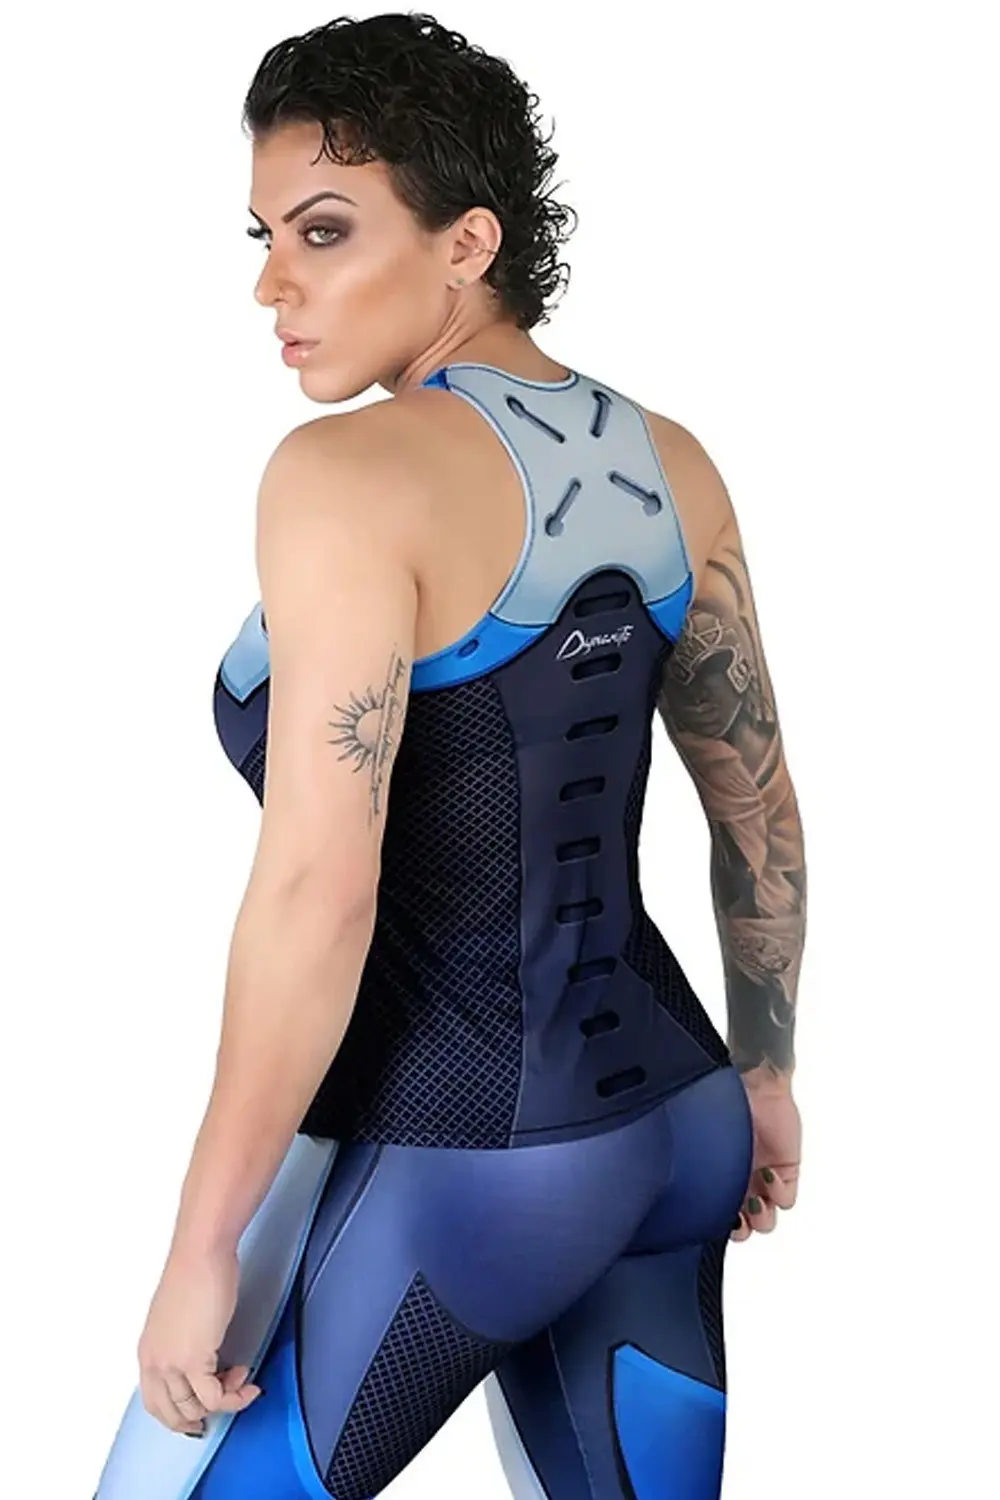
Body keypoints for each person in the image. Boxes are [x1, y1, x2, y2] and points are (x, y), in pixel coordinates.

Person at [92, 11, 806, 1499]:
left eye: (325, 230)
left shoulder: (344, 478)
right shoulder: (674, 462)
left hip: (469, 1155)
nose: (271, 283)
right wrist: (768, 1073)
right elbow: (757, 807)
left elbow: (320, 892)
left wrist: (201, 1243)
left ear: (468, 241)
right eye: (263, 236)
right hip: (680, 1122)